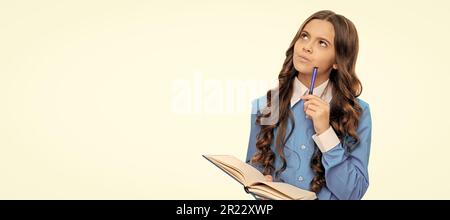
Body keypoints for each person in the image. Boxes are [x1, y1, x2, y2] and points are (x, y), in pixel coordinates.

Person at [246, 10, 372, 200]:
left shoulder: (356, 113)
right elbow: (254, 170)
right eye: (304, 36)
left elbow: (353, 193)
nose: (307, 47)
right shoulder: (267, 104)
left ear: (338, 60)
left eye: (322, 43)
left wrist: (325, 132)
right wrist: (261, 189)